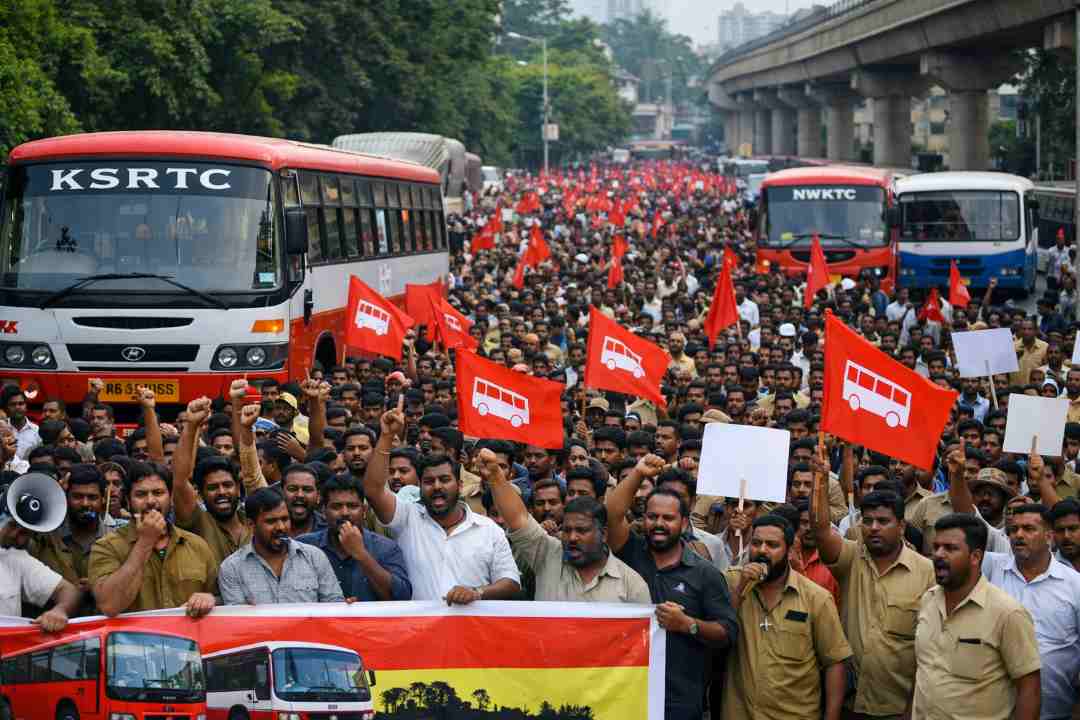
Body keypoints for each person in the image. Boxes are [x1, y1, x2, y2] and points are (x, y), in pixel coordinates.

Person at [606, 454, 737, 720]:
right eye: (652, 516)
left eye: (668, 518)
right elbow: (610, 516)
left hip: (679, 698)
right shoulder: (630, 553)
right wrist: (638, 474)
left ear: (685, 523)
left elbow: (727, 632)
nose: (659, 524)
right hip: (624, 689)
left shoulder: (705, 573)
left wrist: (687, 624)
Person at [811, 442, 935, 720]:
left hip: (898, 708)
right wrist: (819, 481)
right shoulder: (851, 558)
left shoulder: (926, 572)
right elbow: (820, 531)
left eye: (883, 521)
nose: (874, 528)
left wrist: (912, 708)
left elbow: (929, 648)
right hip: (849, 704)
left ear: (902, 527)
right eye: (867, 521)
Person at [363, 399, 521, 603]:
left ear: (461, 484)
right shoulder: (407, 518)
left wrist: (477, 592)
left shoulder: (489, 529)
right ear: (419, 486)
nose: (437, 486)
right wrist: (386, 436)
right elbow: (373, 490)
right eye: (429, 481)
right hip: (419, 631)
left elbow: (511, 582)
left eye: (445, 480)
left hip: (470, 631)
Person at [912, 513, 1041, 720]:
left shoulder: (1008, 613)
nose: (938, 555)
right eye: (936, 547)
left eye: (950, 548)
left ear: (975, 557)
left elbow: (1029, 690)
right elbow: (922, 670)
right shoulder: (928, 600)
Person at [722, 515, 852, 720]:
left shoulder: (816, 598)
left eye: (772, 545)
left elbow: (834, 663)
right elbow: (720, 631)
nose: (762, 550)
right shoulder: (732, 583)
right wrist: (740, 589)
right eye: (756, 543)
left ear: (790, 550)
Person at [479, 447, 649, 603]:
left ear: (603, 534)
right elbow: (518, 518)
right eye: (567, 530)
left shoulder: (632, 586)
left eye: (582, 531)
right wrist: (495, 476)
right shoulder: (547, 554)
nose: (572, 537)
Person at [979, 502, 1080, 720]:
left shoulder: (1075, 584)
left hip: (1056, 710)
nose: (1018, 535)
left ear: (1049, 536)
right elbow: (965, 520)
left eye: (1029, 529)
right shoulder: (992, 568)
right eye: (1014, 530)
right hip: (995, 708)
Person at [88, 461, 217, 617]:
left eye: (158, 493)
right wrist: (145, 542)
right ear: (128, 501)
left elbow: (219, 599)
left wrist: (208, 599)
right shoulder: (107, 547)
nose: (150, 501)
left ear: (170, 498)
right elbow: (109, 606)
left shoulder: (197, 545)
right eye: (141, 494)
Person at [219, 487, 344, 605]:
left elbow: (334, 609)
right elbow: (238, 622)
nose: (281, 527)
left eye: (285, 519)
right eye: (271, 521)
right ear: (251, 524)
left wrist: (347, 608)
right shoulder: (232, 568)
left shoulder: (314, 557)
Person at [297, 474, 411, 601]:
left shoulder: (386, 548)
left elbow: (401, 597)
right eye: (336, 507)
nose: (345, 513)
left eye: (352, 506)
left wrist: (361, 554)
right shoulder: (304, 546)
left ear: (364, 511)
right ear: (323, 511)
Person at [29, 463, 112, 616]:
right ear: (65, 497)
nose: (85, 504)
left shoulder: (115, 539)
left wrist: (98, 587)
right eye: (77, 497)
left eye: (92, 497)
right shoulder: (44, 536)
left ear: (103, 498)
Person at [0, 478, 81, 631]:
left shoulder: (16, 559)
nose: (15, 535)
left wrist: (60, 610)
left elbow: (69, 591)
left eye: (24, 532)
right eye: (11, 525)